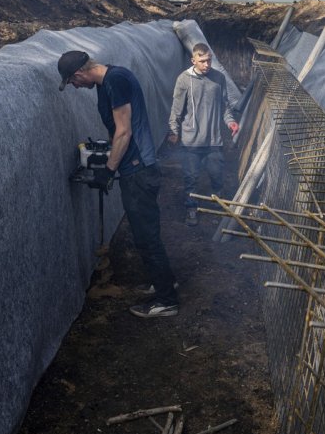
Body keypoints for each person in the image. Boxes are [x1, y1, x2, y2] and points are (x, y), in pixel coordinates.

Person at [57, 50, 179, 318]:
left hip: (139, 170)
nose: (76, 88)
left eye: (73, 83)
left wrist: (108, 170)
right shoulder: (108, 81)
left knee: (146, 237)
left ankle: (167, 300)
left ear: (78, 74)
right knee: (147, 233)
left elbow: (124, 131)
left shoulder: (115, 81)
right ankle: (164, 282)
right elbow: (117, 132)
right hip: (135, 167)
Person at [168, 43, 239, 226]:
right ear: (193, 60)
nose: (207, 64)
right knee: (191, 178)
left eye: (209, 60)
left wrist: (230, 121)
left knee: (217, 175)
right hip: (191, 141)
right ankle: (191, 209)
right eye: (202, 61)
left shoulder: (219, 78)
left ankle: (217, 205)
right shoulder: (184, 80)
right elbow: (176, 110)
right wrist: (174, 131)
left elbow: (225, 107)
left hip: (213, 140)